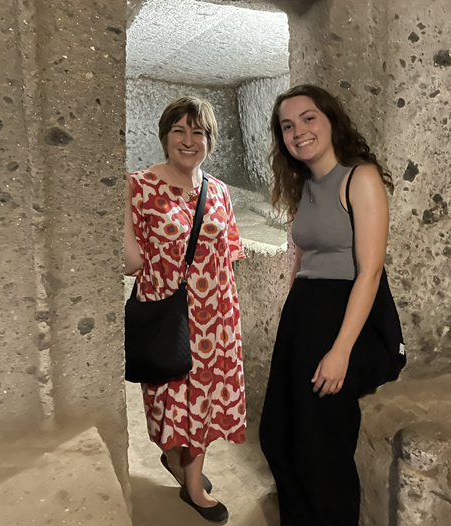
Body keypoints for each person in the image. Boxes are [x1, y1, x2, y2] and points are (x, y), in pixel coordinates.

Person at [259, 84, 391, 526]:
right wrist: (291, 318)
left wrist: (340, 351)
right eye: (287, 126)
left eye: (308, 118)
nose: (299, 131)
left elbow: (370, 272)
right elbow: (302, 259)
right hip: (304, 315)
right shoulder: (304, 186)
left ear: (331, 119)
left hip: (342, 315)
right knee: (278, 435)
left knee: (322, 448)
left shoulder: (360, 177)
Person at [121, 96, 247, 522]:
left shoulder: (220, 192)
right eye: (180, 130)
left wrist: (218, 310)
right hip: (165, 312)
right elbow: (130, 261)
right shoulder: (138, 186)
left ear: (210, 140)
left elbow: (228, 252)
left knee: (205, 402)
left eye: (199, 132)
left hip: (215, 316)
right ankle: (176, 458)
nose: (189, 140)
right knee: (169, 400)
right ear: (164, 136)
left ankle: (193, 483)